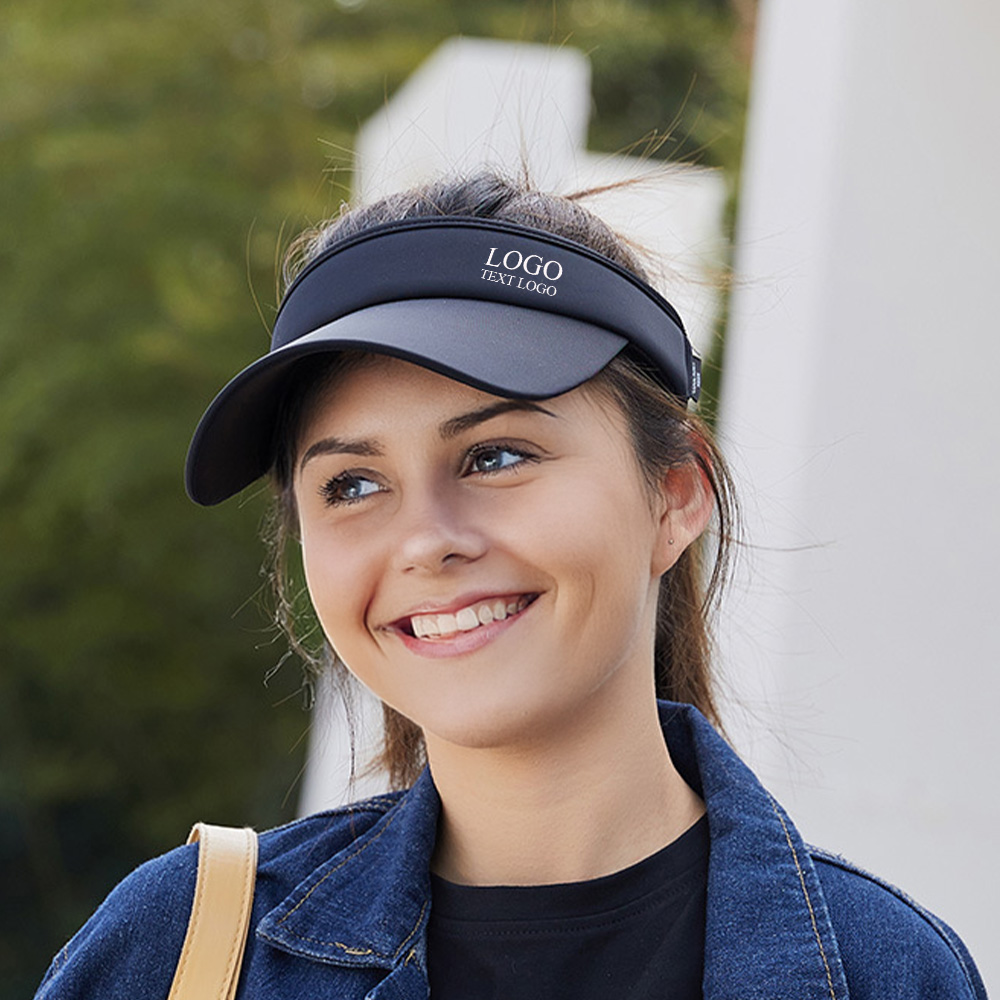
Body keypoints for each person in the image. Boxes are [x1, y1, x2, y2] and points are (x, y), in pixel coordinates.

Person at [35, 172, 987, 999]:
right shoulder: (184, 951)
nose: (426, 543)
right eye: (351, 485)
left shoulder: (886, 972)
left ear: (676, 492)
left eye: (496, 455)